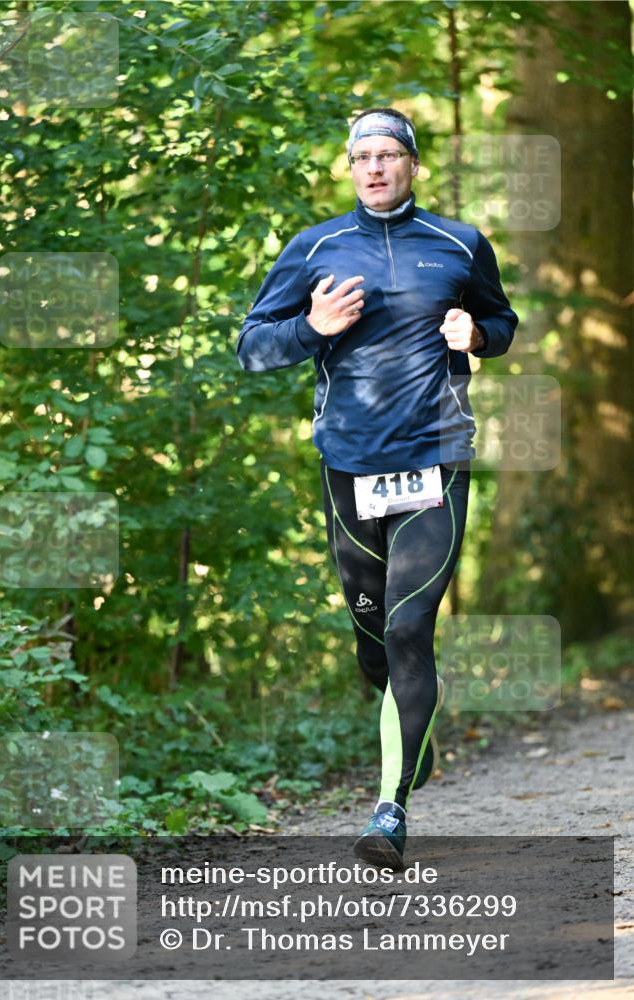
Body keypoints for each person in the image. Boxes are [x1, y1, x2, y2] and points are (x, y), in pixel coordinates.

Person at [236, 107, 518, 870]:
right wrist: (312, 328)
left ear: (412, 165)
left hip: (435, 463)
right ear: (348, 166)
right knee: (372, 642)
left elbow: (501, 319)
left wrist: (479, 337)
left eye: (389, 154)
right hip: (349, 468)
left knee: (406, 629)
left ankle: (390, 807)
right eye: (362, 155)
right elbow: (252, 349)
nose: (375, 166)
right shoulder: (315, 248)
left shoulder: (459, 243)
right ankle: (395, 709)